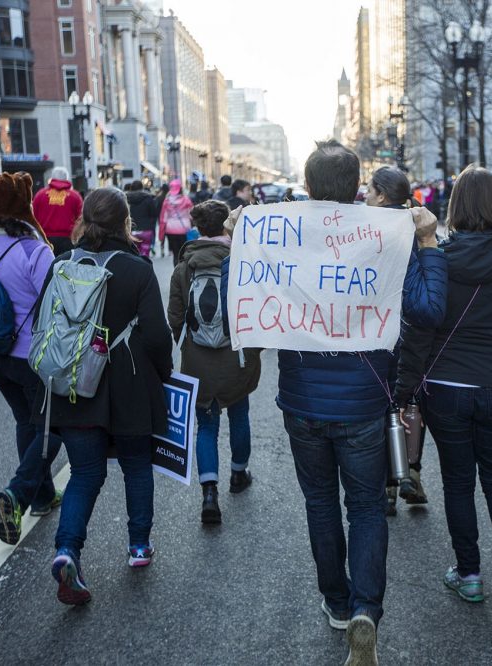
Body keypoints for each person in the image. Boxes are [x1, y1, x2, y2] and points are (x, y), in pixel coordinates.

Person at [233, 140, 445, 664]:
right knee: (367, 507)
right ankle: (365, 610)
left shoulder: (284, 231)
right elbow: (429, 309)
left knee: (321, 503)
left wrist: (240, 231)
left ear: (307, 186)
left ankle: (336, 601)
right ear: (356, 188)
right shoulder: (380, 236)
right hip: (365, 404)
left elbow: (248, 298)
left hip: (302, 404)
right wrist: (429, 242)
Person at [395, 165, 492, 623]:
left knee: (459, 483)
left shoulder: (438, 258)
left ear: (455, 206)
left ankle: (468, 574)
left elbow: (418, 332)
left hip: (446, 389)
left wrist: (404, 394)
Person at [39, 186, 173, 605]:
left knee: (84, 474)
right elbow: (155, 335)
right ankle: (138, 547)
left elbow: (43, 325)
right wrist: (165, 377)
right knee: (136, 466)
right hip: (130, 385)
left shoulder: (61, 265)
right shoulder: (137, 269)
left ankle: (67, 551)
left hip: (75, 386)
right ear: (124, 222)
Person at [0, 171, 64, 544]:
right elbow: (56, 301)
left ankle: (42, 496)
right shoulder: (34, 251)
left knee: (27, 422)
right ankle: (17, 494)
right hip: (31, 357)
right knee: (54, 427)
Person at [168, 200, 261, 524]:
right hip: (236, 357)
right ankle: (239, 473)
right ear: (226, 227)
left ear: (197, 228)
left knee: (206, 425)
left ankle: (210, 491)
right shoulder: (241, 263)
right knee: (239, 412)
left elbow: (175, 318)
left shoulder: (184, 268)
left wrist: (186, 346)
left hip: (198, 360)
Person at [365, 165, 441, 513]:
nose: (365, 195)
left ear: (381, 194)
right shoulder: (421, 227)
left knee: (383, 403)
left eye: (369, 190)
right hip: (417, 334)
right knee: (412, 401)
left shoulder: (367, 230)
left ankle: (387, 486)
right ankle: (411, 470)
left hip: (380, 329)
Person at [32, 166, 83, 256]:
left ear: (52, 178)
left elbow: (33, 218)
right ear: (67, 178)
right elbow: (81, 219)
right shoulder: (75, 196)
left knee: (48, 267)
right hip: (67, 240)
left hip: (45, 240)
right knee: (65, 268)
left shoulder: (40, 195)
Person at [158, 179, 193, 266]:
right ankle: (184, 272)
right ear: (180, 188)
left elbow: (163, 219)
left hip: (170, 230)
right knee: (184, 253)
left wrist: (161, 234)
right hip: (184, 229)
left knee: (175, 253)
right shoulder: (186, 200)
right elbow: (192, 215)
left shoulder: (166, 202)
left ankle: (177, 272)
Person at [125, 181, 159, 258]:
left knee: (133, 254)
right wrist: (151, 226)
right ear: (142, 188)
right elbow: (154, 214)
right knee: (145, 255)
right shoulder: (148, 198)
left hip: (131, 231)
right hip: (146, 231)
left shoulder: (125, 199)